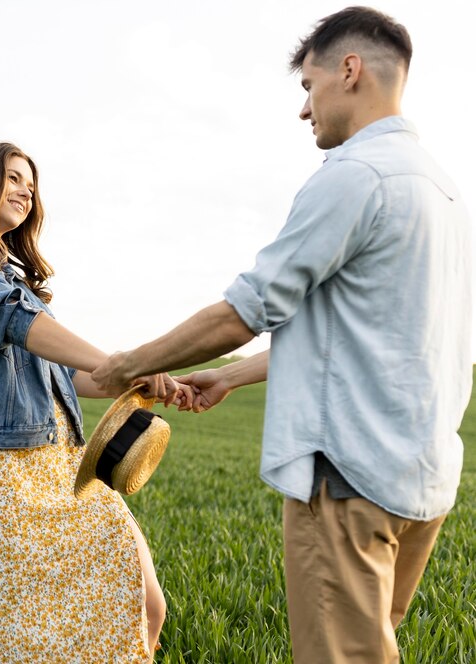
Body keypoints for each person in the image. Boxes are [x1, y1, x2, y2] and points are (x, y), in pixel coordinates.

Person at [91, 7, 471, 663]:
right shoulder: (443, 192)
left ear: (348, 71)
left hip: (350, 476)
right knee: (372, 645)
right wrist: (233, 375)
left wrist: (127, 365)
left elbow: (242, 310)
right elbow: (370, 333)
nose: (304, 109)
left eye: (307, 85)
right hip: (421, 478)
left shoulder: (356, 176)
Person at [0, 142, 183, 662]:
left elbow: (71, 373)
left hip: (64, 466)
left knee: (145, 603)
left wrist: (148, 379)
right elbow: (12, 322)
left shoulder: (15, 279)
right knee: (27, 640)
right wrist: (123, 362)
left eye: (29, 184)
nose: (25, 190)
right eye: (12, 178)